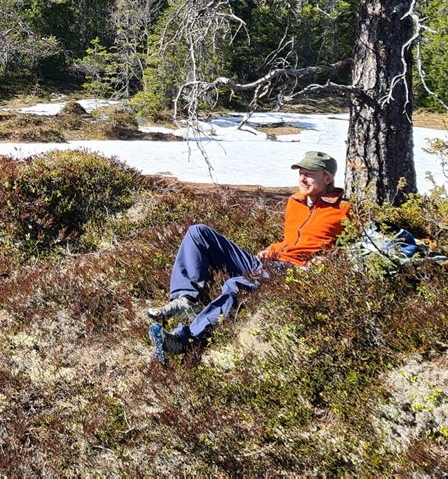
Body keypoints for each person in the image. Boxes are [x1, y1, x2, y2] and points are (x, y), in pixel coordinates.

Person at [147, 150, 350, 361]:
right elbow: (293, 241)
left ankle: (187, 340)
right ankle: (186, 299)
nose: (302, 178)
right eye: (300, 172)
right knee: (199, 232)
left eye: (309, 173)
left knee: (236, 285)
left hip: (291, 271)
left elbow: (355, 248)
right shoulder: (295, 202)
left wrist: (328, 260)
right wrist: (272, 249)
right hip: (269, 262)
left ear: (327, 178)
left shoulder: (344, 210)